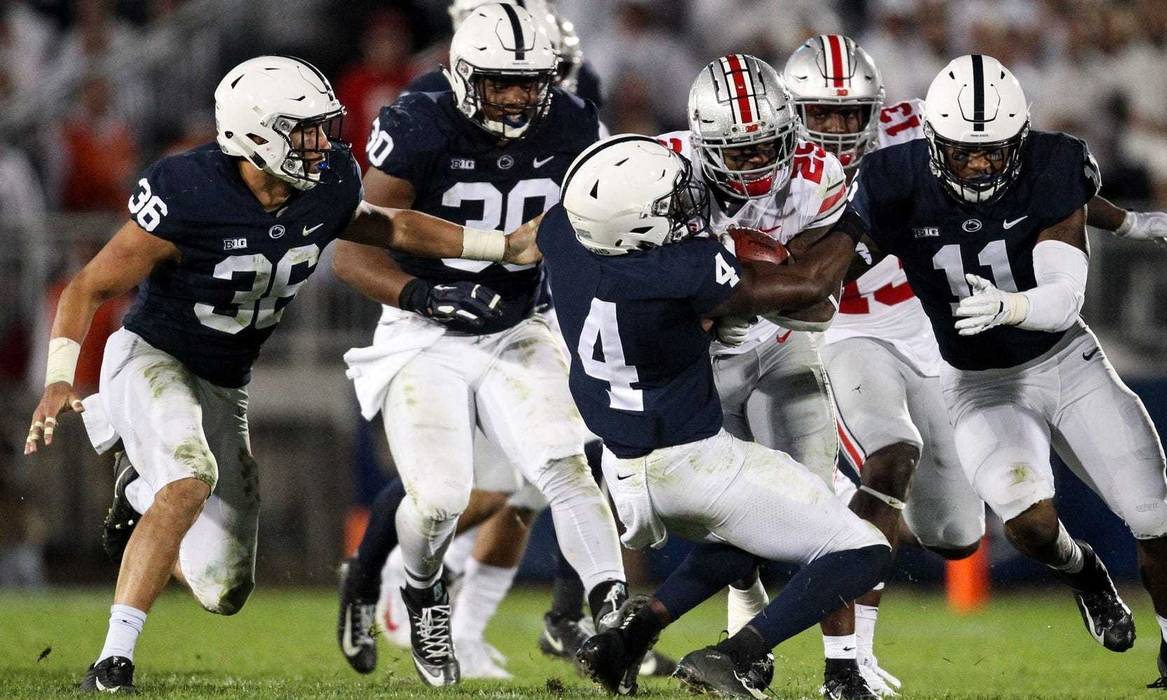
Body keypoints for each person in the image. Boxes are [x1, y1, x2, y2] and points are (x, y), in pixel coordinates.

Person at [23, 54, 541, 694]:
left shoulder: (324, 186)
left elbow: (391, 225)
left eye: (324, 127)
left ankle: (138, 496)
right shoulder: (189, 191)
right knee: (189, 477)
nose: (323, 143)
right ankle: (113, 660)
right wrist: (58, 376)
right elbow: (88, 286)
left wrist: (502, 245)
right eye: (305, 130)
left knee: (224, 589)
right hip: (152, 358)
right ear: (256, 131)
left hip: (225, 383)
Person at [782, 35, 1167, 698]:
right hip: (878, 339)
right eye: (820, 114)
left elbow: (1049, 212)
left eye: (850, 112)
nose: (837, 129)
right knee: (896, 464)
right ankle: (846, 660)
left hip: (987, 338)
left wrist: (1124, 225)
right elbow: (814, 262)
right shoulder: (796, 167)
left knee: (957, 534)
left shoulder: (954, 139)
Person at [341, 0, 636, 679]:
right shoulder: (419, 121)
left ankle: (609, 602)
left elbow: (596, 225)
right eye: (498, 81)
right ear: (462, 72)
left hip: (518, 324)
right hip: (424, 329)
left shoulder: (572, 122)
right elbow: (351, 251)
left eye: (527, 81)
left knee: (563, 464)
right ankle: (419, 590)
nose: (513, 97)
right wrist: (426, 292)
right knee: (441, 498)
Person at [543, 134, 889, 698]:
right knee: (862, 550)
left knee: (751, 535)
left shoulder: (563, 236)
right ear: (633, 225)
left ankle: (634, 630)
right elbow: (813, 288)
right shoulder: (686, 268)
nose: (688, 210)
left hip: (622, 470)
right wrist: (856, 223)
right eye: (672, 204)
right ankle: (734, 654)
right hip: (692, 464)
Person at [654, 48, 847, 665]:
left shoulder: (818, 174)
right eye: (740, 151)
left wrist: (736, 293)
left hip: (783, 343)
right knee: (720, 508)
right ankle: (740, 635)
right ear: (704, 142)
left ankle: (843, 663)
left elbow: (821, 297)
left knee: (815, 503)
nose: (760, 162)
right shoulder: (659, 171)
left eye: (770, 145)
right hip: (696, 359)